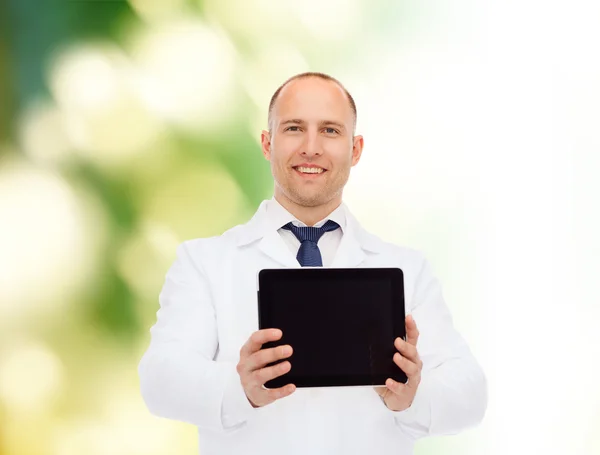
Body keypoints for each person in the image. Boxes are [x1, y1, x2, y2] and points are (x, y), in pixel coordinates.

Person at [138, 72, 487, 454]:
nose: (311, 147)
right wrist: (240, 389)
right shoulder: (205, 262)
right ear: (267, 144)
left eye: (330, 131)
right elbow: (160, 380)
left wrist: (411, 396)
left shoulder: (407, 269)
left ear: (355, 150)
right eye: (293, 128)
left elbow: (470, 393)